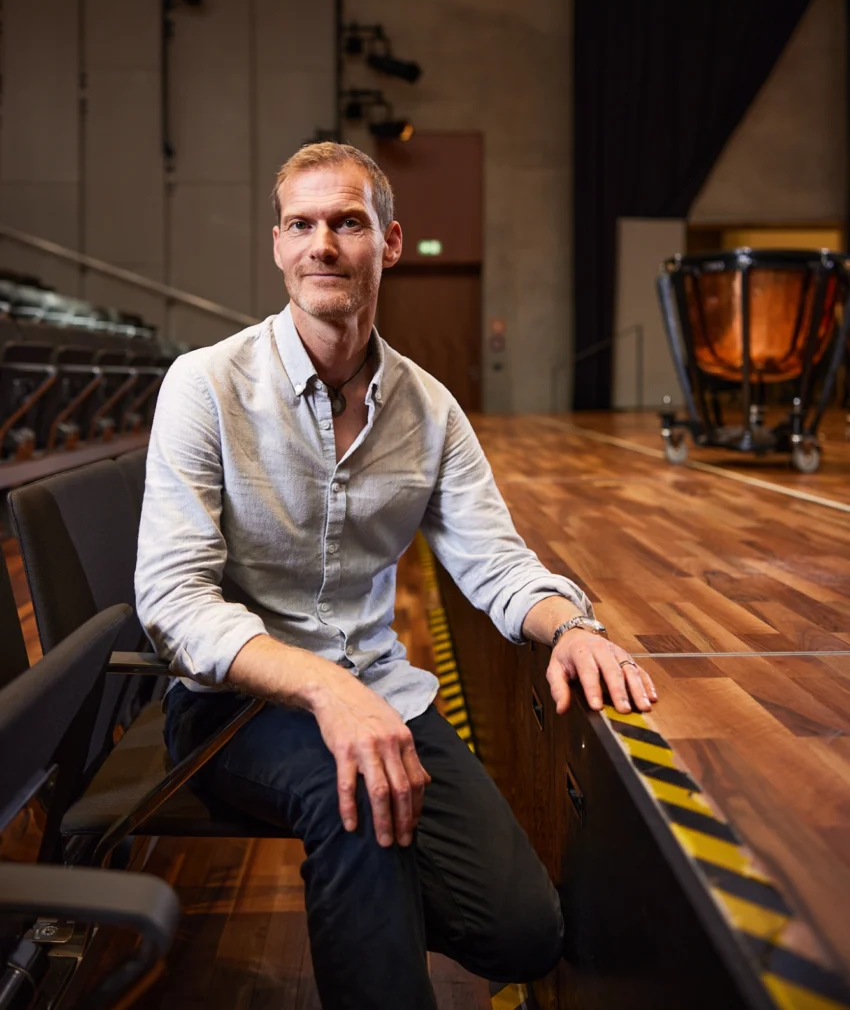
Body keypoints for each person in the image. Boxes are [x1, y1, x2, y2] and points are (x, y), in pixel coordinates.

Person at [135, 141, 657, 1010]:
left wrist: (569, 625)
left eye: (347, 222)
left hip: (380, 693)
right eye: (301, 224)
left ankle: (363, 901)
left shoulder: (430, 409)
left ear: (391, 241)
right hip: (234, 706)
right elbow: (173, 601)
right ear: (277, 244)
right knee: (352, 804)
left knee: (524, 934)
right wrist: (325, 692)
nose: (322, 244)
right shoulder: (206, 385)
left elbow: (494, 561)